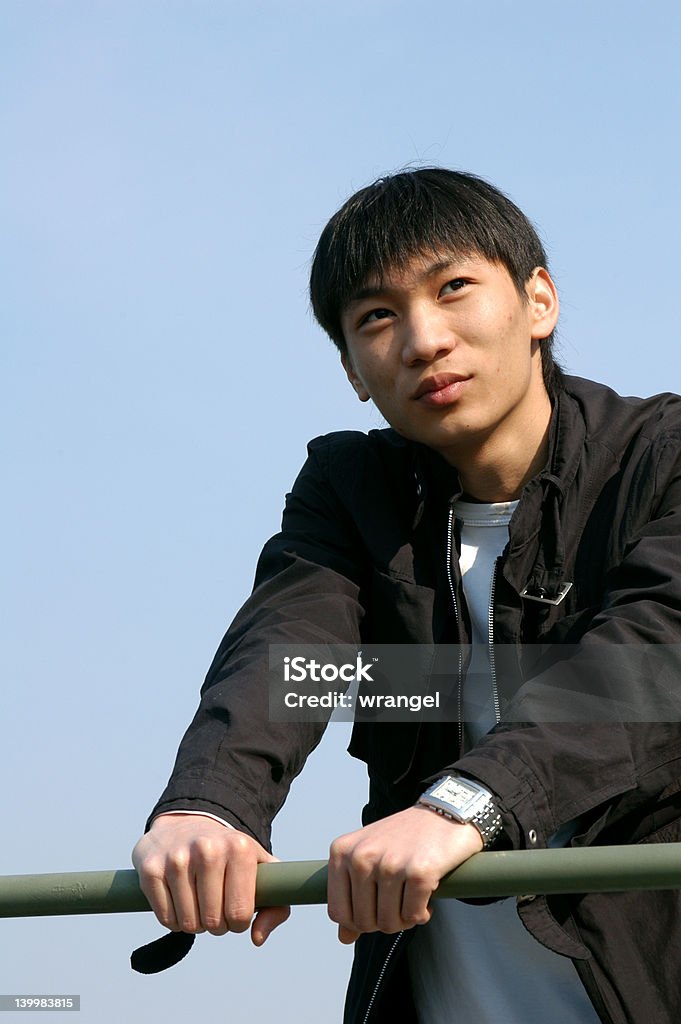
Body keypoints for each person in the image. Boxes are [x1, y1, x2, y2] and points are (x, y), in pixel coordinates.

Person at [132, 168, 681, 1023]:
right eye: (376, 318)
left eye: (453, 287)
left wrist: (464, 804)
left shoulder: (661, 458)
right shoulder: (354, 490)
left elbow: (652, 656)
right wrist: (211, 805)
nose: (423, 340)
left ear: (539, 300)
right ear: (352, 369)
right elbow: (289, 651)